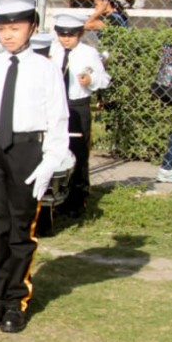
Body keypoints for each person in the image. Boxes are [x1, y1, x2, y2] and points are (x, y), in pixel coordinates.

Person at [0, 0, 69, 334]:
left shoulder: (46, 69)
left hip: (25, 149)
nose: (8, 34)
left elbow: (58, 118)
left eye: (16, 27)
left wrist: (50, 159)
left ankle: (16, 301)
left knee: (22, 229)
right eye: (3, 26)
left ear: (32, 27)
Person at [49, 12, 110, 218]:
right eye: (62, 34)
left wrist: (91, 79)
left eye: (72, 35)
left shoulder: (88, 53)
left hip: (77, 105)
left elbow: (104, 78)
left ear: (80, 34)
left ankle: (78, 199)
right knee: (55, 150)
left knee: (78, 152)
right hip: (56, 105)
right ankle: (55, 198)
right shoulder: (53, 50)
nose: (66, 38)